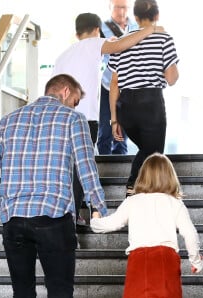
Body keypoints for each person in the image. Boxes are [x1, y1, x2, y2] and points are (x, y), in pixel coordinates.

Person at [0, 74, 108, 298]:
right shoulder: (73, 119)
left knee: (23, 294)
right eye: (74, 100)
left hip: (13, 220)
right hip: (54, 219)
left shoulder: (9, 120)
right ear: (65, 91)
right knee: (60, 293)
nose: (74, 106)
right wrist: (98, 208)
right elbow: (86, 168)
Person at [52, 12, 164, 224]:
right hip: (84, 119)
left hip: (60, 118)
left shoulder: (62, 56)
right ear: (97, 30)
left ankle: (75, 211)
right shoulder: (93, 43)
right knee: (80, 167)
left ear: (77, 33)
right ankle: (73, 216)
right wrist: (149, 30)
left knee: (68, 166)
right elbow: (120, 45)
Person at [90, 152, 203, 298]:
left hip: (138, 261)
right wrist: (196, 261)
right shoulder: (175, 203)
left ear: (143, 176)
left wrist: (95, 219)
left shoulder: (132, 201)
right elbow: (190, 234)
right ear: (170, 177)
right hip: (166, 260)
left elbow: (110, 224)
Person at [108, 0, 179, 197]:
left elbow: (114, 84)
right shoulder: (163, 38)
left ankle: (138, 190)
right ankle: (133, 187)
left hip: (125, 106)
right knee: (155, 154)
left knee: (147, 149)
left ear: (136, 17)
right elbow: (171, 79)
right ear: (156, 16)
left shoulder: (121, 42)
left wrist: (114, 119)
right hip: (151, 103)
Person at [97, 0, 138, 155]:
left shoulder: (136, 27)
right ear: (110, 7)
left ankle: (121, 167)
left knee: (124, 129)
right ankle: (103, 167)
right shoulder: (101, 27)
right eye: (118, 7)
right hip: (108, 84)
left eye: (125, 7)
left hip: (129, 85)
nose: (121, 11)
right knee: (105, 129)